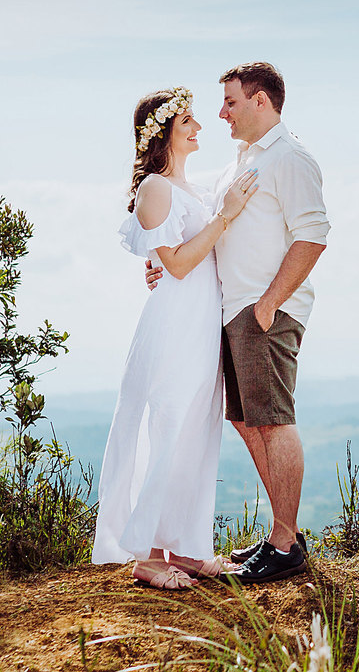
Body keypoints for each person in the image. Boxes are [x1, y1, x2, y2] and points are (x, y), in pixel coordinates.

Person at [146, 62, 329, 584]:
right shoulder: (239, 163)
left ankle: (285, 543)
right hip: (231, 311)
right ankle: (282, 535)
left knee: (273, 418)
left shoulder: (291, 158)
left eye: (229, 102)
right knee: (247, 421)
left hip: (262, 309)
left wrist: (271, 302)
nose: (220, 113)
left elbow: (313, 235)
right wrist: (162, 260)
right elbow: (200, 225)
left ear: (261, 102)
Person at [92, 86, 259, 590]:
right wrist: (227, 215)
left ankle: (186, 549)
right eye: (187, 120)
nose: (198, 126)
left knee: (193, 433)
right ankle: (148, 556)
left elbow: (182, 256)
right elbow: (180, 265)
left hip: (201, 323)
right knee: (167, 428)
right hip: (175, 325)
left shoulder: (190, 188)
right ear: (162, 131)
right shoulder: (156, 189)